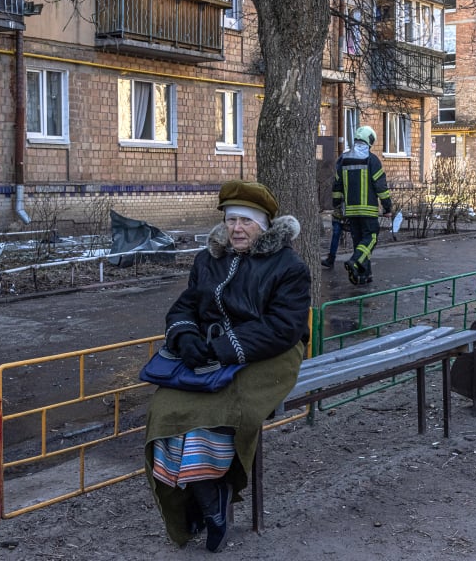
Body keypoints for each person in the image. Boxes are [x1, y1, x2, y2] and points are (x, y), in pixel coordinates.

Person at [144, 180, 311, 552]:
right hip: (210, 351)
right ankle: (204, 500)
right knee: (164, 409)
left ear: (265, 225)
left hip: (271, 355)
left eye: (247, 222)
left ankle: (210, 497)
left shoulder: (288, 266)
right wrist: (185, 336)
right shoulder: (209, 259)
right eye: (232, 220)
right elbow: (187, 306)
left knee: (219, 408)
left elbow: (284, 327)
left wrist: (223, 347)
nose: (237, 229)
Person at [333, 125, 392, 285]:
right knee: (371, 238)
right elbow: (381, 187)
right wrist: (387, 207)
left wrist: (336, 205)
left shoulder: (342, 159)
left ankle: (363, 276)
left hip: (351, 211)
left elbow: (337, 186)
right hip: (368, 210)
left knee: (360, 242)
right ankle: (354, 261)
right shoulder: (371, 160)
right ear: (369, 141)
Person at [321, 203, 348, 268]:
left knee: (355, 236)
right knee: (335, 235)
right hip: (339, 215)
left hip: (349, 215)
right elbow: (335, 200)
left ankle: (357, 259)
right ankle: (331, 259)